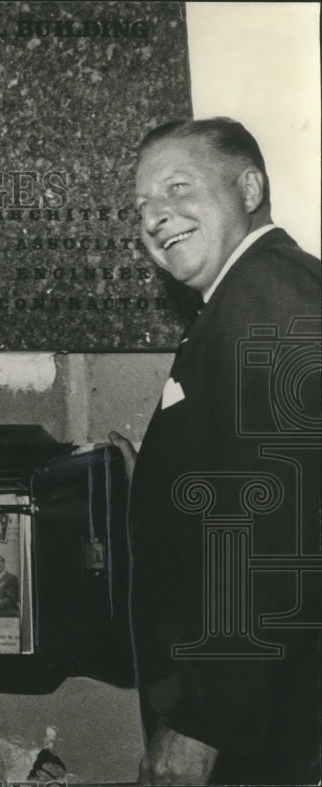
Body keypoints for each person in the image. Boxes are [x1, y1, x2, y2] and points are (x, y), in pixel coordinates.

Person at [110, 118, 321, 785]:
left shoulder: (267, 298)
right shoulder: (242, 294)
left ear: (249, 186)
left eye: (178, 187)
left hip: (257, 720)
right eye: (142, 206)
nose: (156, 216)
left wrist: (208, 720)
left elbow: (274, 536)